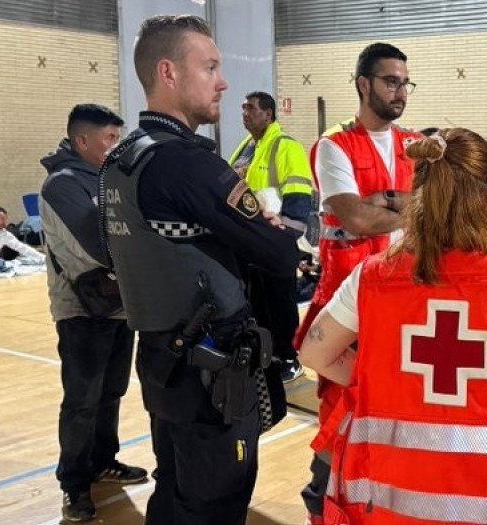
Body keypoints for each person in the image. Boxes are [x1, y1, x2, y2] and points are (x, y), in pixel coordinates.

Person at [298, 127, 487, 525]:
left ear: (417, 196)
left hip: (390, 503)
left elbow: (314, 352)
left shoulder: (372, 277)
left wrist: (376, 377)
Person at [100, 15, 299, 524]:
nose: (223, 81)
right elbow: (279, 256)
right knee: (215, 502)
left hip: (162, 357)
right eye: (209, 67)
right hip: (214, 369)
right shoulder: (189, 162)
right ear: (169, 73)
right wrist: (263, 227)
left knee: (175, 487)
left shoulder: (120, 160)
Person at [294, 42, 421, 525]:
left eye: (406, 82)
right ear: (363, 84)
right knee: (340, 413)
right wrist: (403, 205)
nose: (401, 91)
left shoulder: (416, 144)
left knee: (390, 417)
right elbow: (353, 216)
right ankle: (321, 507)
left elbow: (433, 210)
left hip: (404, 306)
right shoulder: (333, 146)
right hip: (348, 307)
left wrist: (383, 200)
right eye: (391, 81)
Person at [40, 104, 147, 522]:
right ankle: (74, 483)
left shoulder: (105, 178)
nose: (116, 148)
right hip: (82, 310)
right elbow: (98, 246)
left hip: (120, 306)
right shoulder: (62, 184)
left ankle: (104, 461)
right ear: (82, 141)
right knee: (82, 401)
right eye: (110, 140)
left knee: (111, 392)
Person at [228, 90, 314, 384]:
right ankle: (267, 356)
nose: (245, 113)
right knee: (256, 303)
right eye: (243, 107)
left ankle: (290, 359)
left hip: (275, 241)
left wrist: (287, 234)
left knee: (281, 303)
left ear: (268, 113)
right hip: (249, 242)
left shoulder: (285, 146)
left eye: (250, 108)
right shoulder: (244, 148)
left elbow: (300, 192)